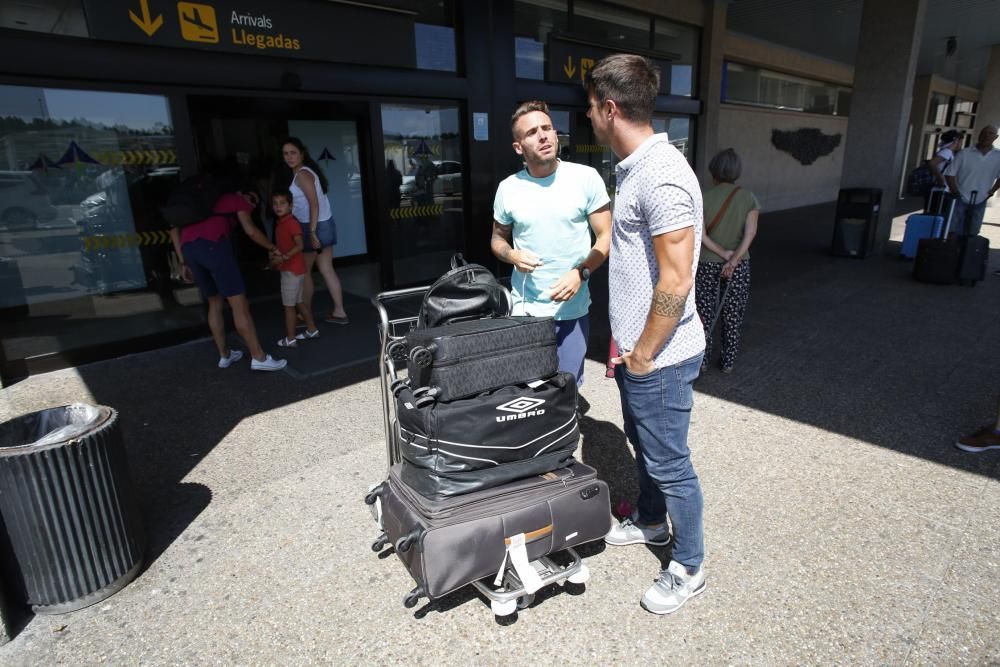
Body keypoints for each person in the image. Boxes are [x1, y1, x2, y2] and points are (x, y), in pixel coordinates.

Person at [586, 54, 706, 615]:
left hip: (660, 357)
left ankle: (689, 565)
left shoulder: (660, 174)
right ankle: (653, 523)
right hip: (641, 352)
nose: (587, 117)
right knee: (649, 448)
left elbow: (678, 280)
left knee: (670, 462)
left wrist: (643, 354)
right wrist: (626, 346)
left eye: (590, 107)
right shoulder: (635, 167)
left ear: (610, 108)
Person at [491, 101, 612, 385]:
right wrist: (511, 255)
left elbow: (606, 237)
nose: (543, 136)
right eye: (532, 132)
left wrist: (581, 272)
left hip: (571, 309)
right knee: (529, 389)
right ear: (518, 147)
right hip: (526, 309)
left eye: (547, 128)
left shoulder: (585, 178)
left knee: (566, 387)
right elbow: (497, 239)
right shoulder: (509, 189)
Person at [168, 185, 287, 372]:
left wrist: (183, 261)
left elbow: (174, 231)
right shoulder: (236, 200)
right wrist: (272, 248)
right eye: (252, 199)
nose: (252, 204)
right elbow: (251, 231)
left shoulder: (201, 202)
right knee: (239, 305)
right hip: (214, 247)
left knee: (214, 302)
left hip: (190, 251)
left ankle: (225, 355)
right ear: (242, 193)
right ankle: (259, 357)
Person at [695, 148, 759, 374]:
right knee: (733, 314)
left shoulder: (703, 196)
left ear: (714, 171)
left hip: (706, 262)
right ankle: (728, 362)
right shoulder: (748, 197)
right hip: (739, 264)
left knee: (704, 313)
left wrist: (723, 255)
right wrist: (733, 260)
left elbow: (701, 235)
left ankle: (702, 361)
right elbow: (750, 234)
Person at [281, 137, 349, 325]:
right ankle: (339, 311)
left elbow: (314, 204)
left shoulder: (302, 174)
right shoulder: (306, 172)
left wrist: (311, 232)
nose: (289, 157)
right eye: (285, 153)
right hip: (323, 224)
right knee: (326, 268)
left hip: (313, 226)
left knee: (306, 271)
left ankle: (305, 313)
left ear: (302, 153)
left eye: (293, 152)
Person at [271, 190, 320, 348]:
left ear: (290, 205)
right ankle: (312, 329)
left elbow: (299, 245)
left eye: (283, 203)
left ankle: (291, 338)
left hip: (291, 270)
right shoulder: (283, 222)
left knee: (289, 306)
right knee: (299, 302)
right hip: (296, 269)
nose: (278, 206)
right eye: (275, 203)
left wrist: (284, 257)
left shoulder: (290, 223)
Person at [944, 124, 1000, 237]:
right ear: (979, 135)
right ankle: (951, 252)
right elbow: (949, 174)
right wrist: (956, 192)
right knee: (951, 230)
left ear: (996, 137)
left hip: (981, 199)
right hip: (960, 197)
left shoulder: (998, 156)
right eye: (984, 133)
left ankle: (967, 253)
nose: (986, 136)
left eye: (990, 134)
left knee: (972, 232)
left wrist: (992, 191)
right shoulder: (964, 153)